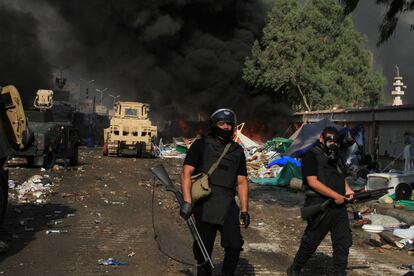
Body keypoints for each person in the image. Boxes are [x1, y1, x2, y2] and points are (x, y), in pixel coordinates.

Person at [180, 108, 249, 276]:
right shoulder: (201, 144)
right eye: (222, 123)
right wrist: (187, 202)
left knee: (234, 245)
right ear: (214, 124)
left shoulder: (237, 151)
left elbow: (242, 182)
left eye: (229, 124)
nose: (225, 127)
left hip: (227, 204)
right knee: (203, 251)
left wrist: (245, 210)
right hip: (205, 204)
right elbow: (186, 173)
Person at [288, 127, 354, 276]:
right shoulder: (311, 155)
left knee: (343, 241)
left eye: (336, 140)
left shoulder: (336, 156)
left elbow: (340, 177)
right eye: (329, 139)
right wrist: (335, 195)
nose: (333, 143)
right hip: (320, 205)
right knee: (311, 241)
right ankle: (295, 268)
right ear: (321, 139)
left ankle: (339, 271)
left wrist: (348, 190)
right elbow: (313, 182)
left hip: (339, 206)